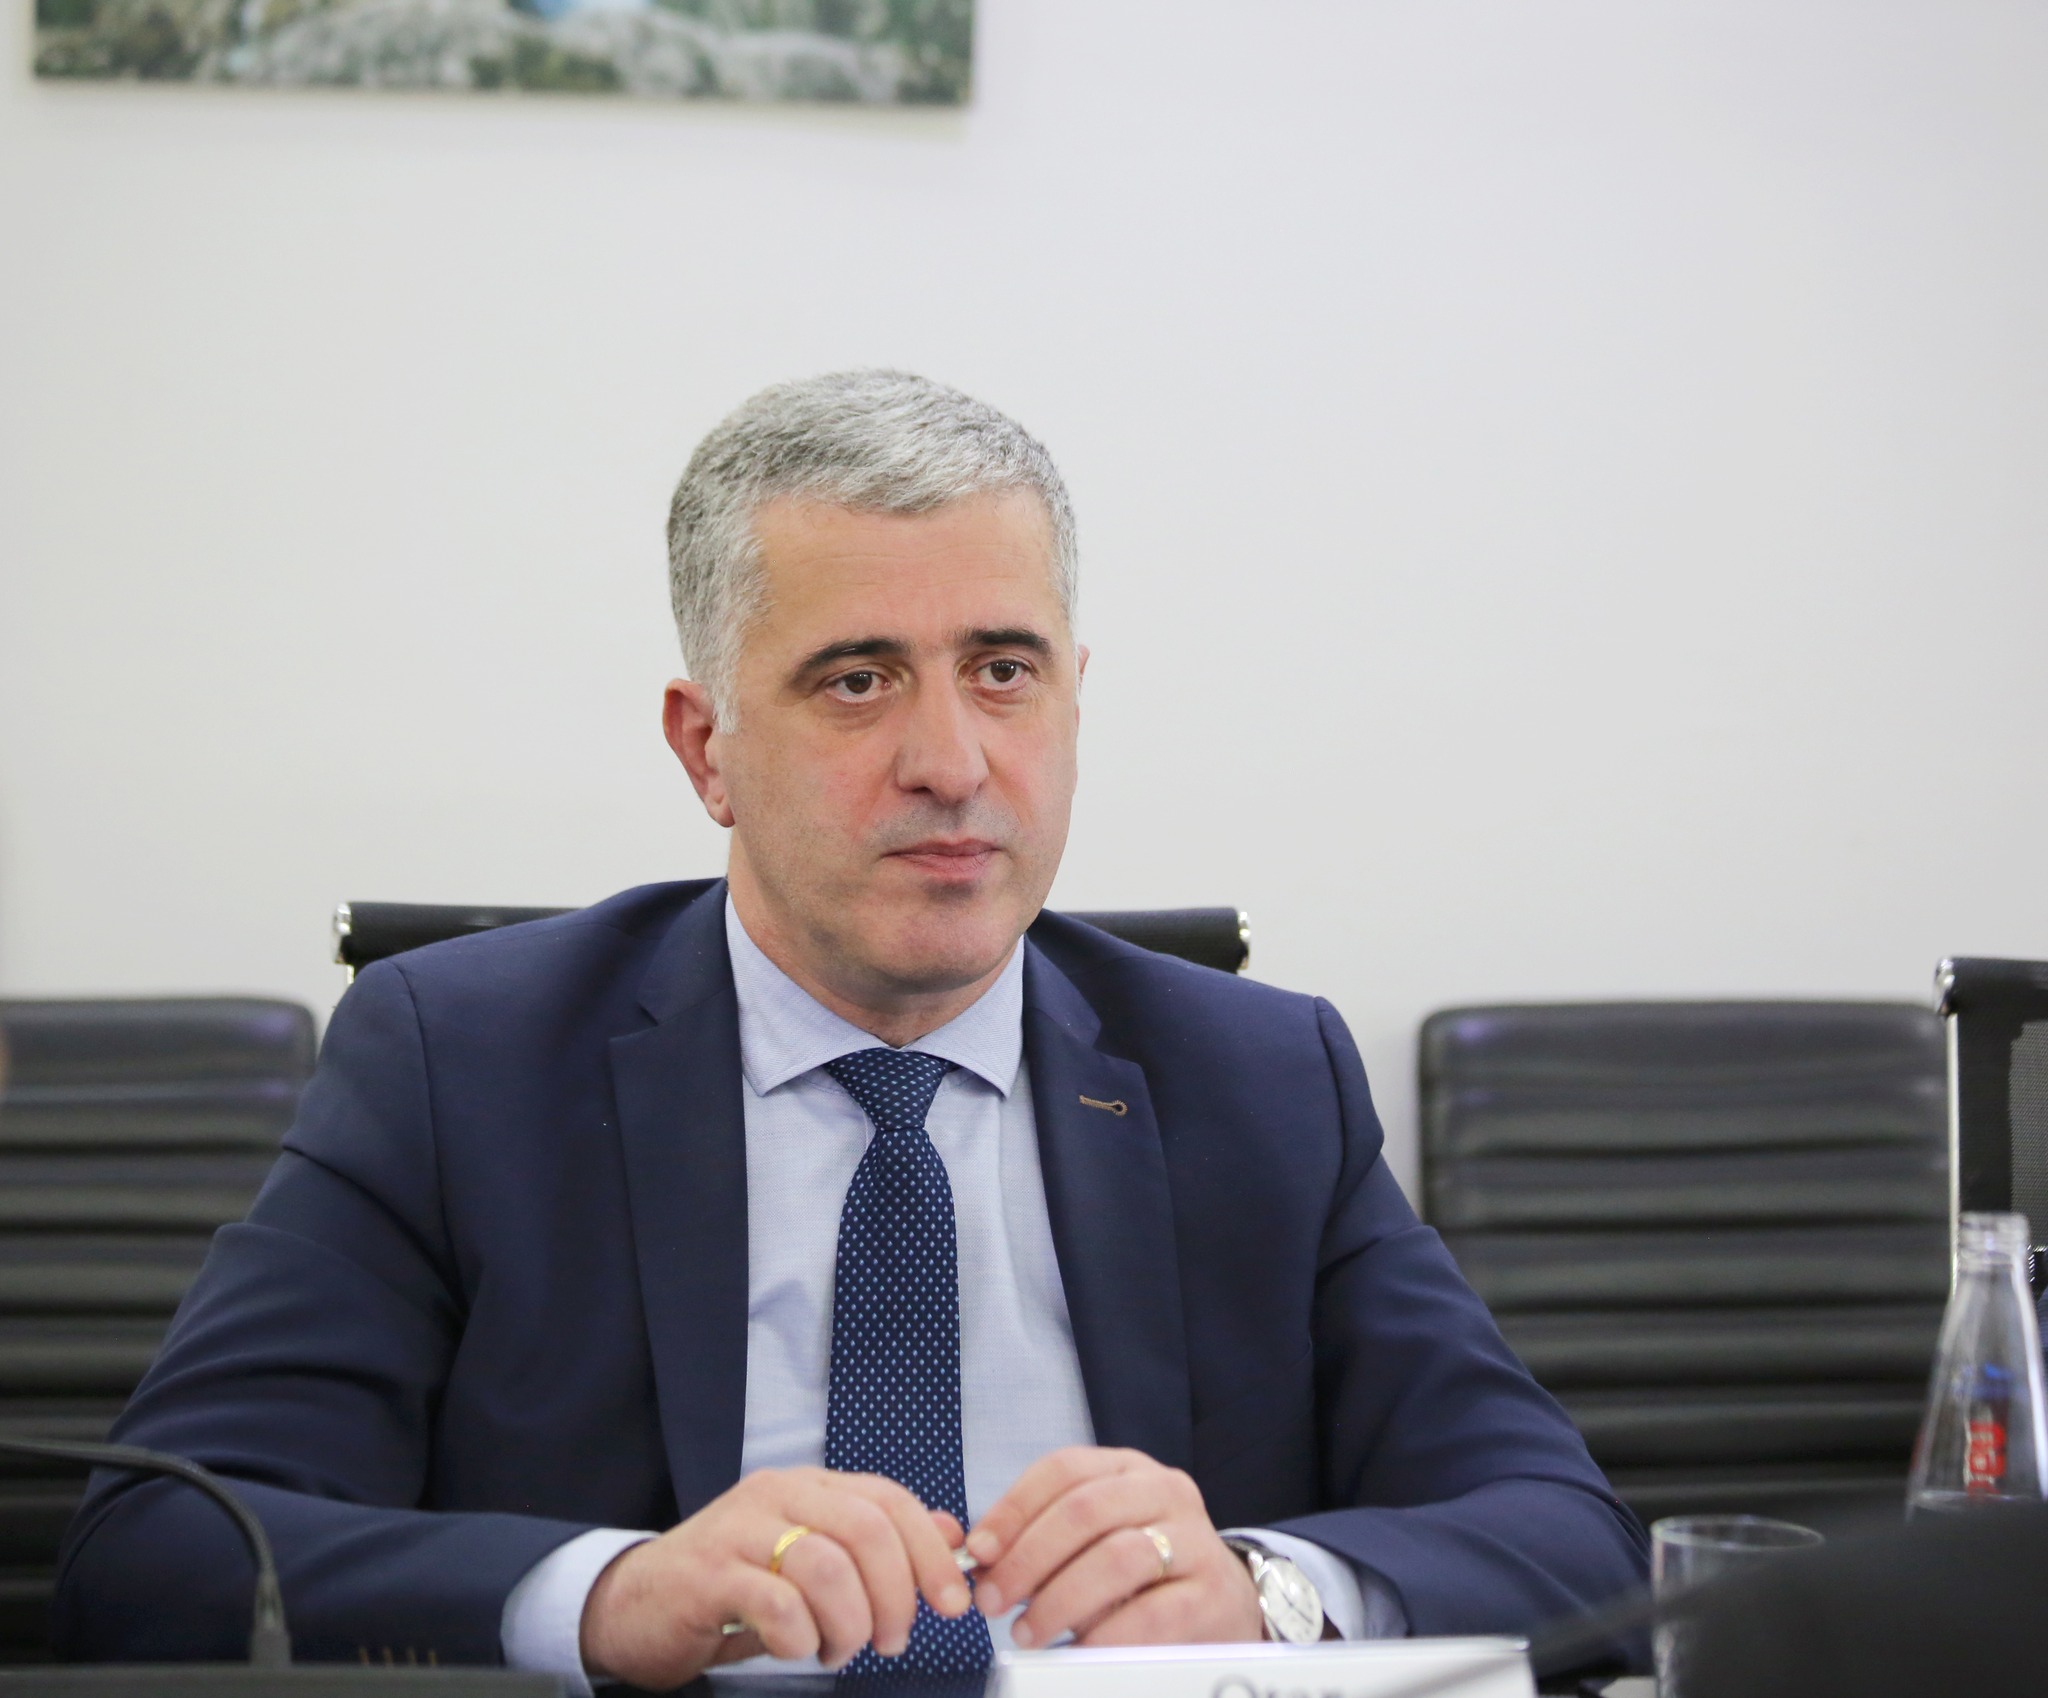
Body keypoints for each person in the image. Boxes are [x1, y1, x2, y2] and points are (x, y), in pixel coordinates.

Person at [54, 371, 1647, 1688]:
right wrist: (607, 1596)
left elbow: (1570, 1534)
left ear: (1074, 699)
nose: (951, 759)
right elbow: (158, 1556)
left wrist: (1263, 1590)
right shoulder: (456, 1064)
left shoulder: (1259, 1079)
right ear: (708, 748)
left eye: (1003, 670)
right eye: (857, 680)